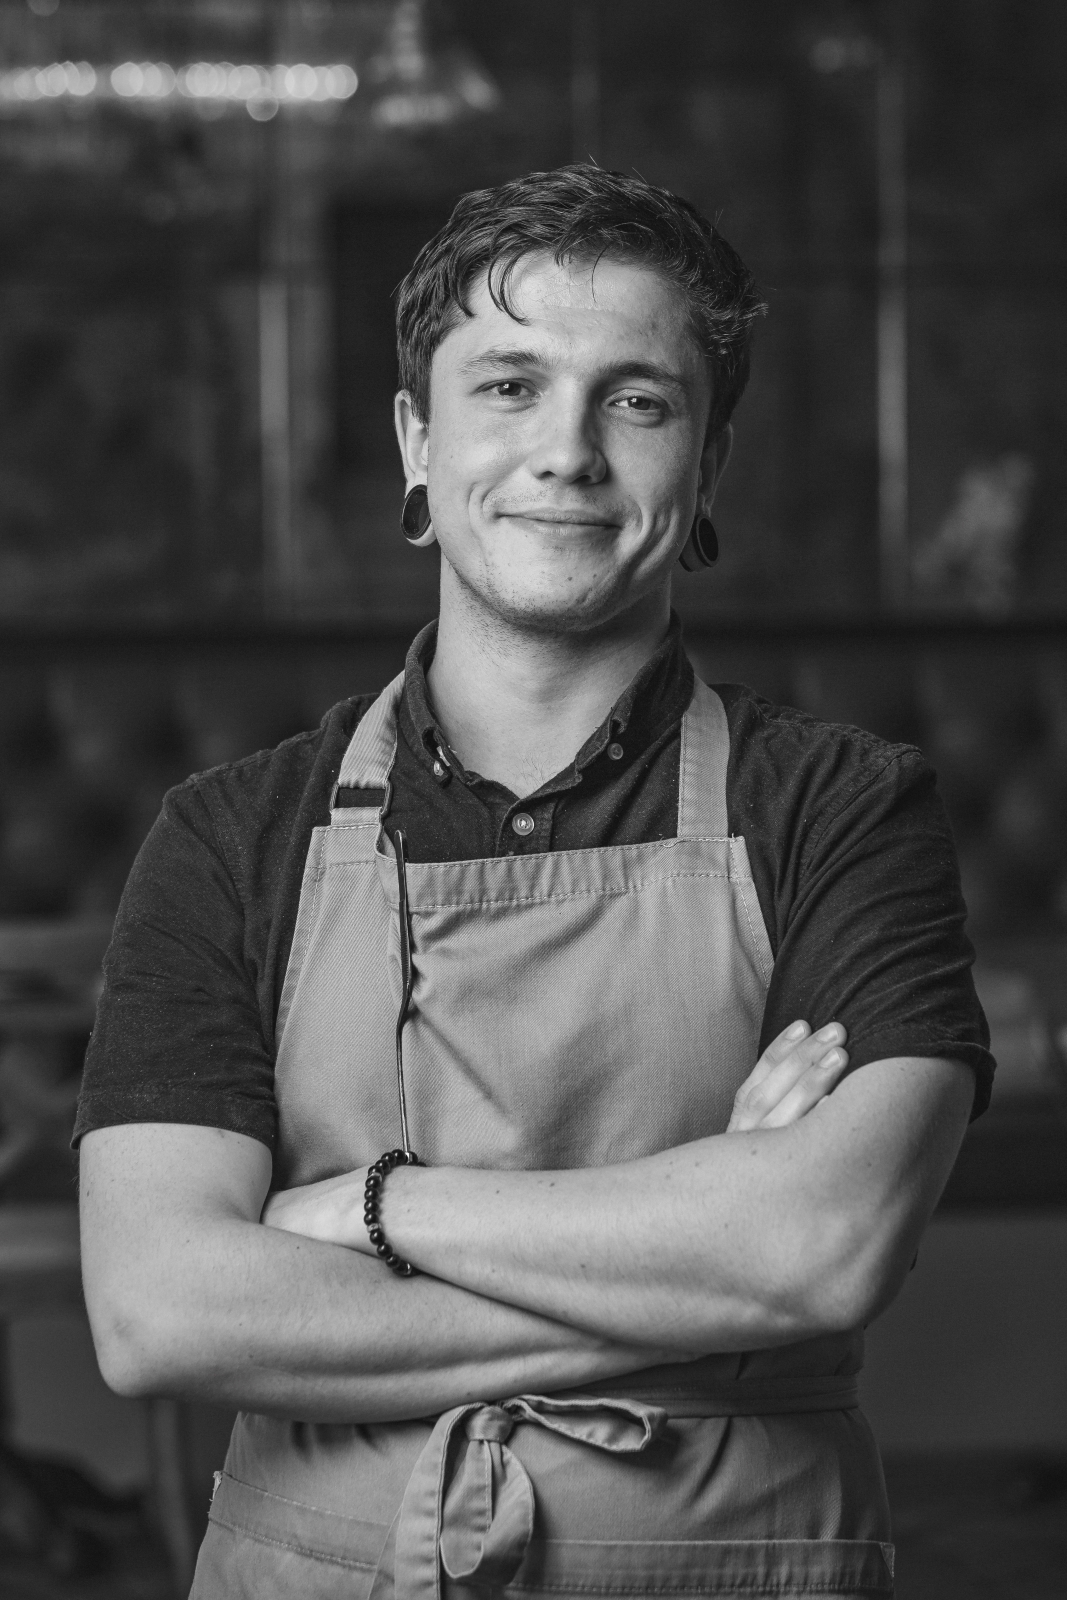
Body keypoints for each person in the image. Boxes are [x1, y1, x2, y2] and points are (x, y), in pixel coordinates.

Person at [77, 165, 993, 1599]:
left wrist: (373, 1208)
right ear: (415, 441)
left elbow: (825, 1244)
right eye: (508, 387)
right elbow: (161, 1312)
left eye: (639, 401)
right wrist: (704, 1273)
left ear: (708, 467)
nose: (567, 452)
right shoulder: (230, 836)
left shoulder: (844, 811)